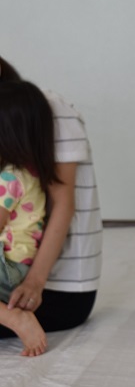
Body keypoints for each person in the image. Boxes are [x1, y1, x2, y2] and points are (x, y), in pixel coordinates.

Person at [0, 55, 103, 338]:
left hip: (55, 288)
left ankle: (14, 317)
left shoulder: (47, 108)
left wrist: (34, 283)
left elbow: (62, 201)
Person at [0, 81, 58, 356]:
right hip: (20, 265)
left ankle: (14, 318)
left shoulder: (9, 179)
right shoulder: (32, 173)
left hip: (7, 264)